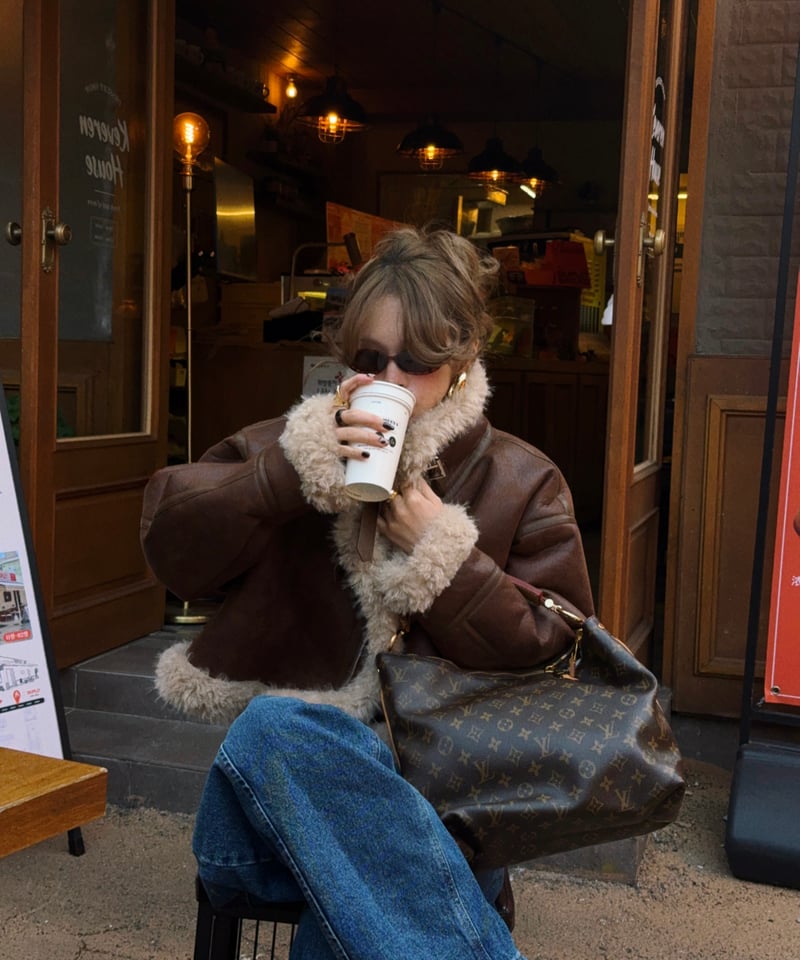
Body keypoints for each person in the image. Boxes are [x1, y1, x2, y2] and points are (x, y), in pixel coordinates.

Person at [140, 225, 594, 960]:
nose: (390, 379)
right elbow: (171, 545)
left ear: (462, 360)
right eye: (370, 359)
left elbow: (559, 659)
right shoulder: (292, 448)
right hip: (272, 813)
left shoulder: (523, 479)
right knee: (275, 730)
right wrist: (292, 474)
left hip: (447, 805)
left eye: (414, 361)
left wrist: (443, 551)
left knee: (352, 901)